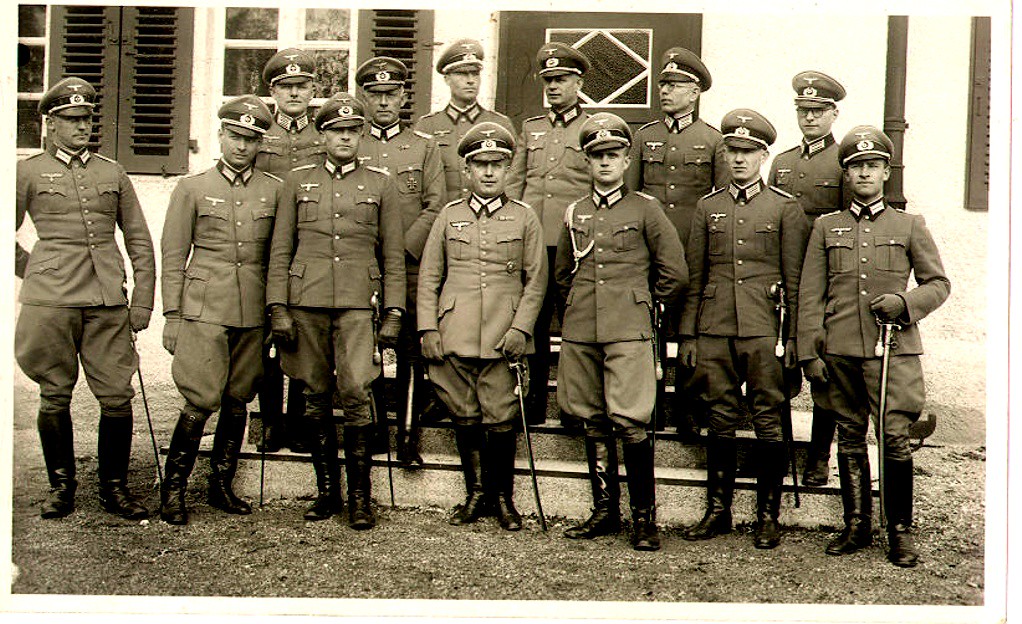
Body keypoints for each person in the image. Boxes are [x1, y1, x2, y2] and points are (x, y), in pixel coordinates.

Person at [798, 126, 950, 568]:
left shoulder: (908, 225)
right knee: (849, 437)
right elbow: (810, 293)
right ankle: (857, 524)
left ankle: (900, 531)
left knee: (895, 440)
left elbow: (938, 284)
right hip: (840, 350)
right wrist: (809, 352)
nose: (864, 173)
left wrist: (905, 303)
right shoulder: (828, 227)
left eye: (872, 165)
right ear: (846, 175)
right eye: (855, 167)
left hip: (893, 349)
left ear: (885, 171)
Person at [15, 76, 156, 520]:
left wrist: (143, 301)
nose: (81, 128)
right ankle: (62, 488)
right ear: (51, 124)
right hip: (51, 300)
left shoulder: (111, 173)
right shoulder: (28, 171)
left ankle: (114, 488)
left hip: (106, 300)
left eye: (86, 119)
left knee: (117, 395)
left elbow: (139, 240)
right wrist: (36, 269)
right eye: (71, 120)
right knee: (55, 393)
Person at [266, 93, 406, 529]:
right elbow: (280, 249)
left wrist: (395, 313)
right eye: (336, 131)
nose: (345, 138)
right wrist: (278, 307)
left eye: (352, 131)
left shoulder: (381, 183)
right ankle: (327, 493)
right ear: (321, 135)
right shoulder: (296, 180)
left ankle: (361, 499)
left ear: (360, 135)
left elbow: (394, 257)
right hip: (305, 301)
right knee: (313, 392)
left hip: (357, 304)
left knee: (358, 392)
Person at [556, 113, 687, 551]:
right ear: (587, 162)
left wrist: (643, 304)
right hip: (581, 329)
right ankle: (604, 511)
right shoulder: (574, 211)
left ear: (627, 159)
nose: (605, 163)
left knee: (630, 421)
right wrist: (576, 309)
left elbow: (674, 273)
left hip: (629, 329)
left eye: (613, 155)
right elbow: (562, 276)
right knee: (591, 419)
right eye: (597, 156)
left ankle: (644, 519)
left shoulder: (646, 209)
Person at [680, 109, 809, 549]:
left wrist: (793, 339)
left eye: (748, 152)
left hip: (763, 326)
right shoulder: (707, 206)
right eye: (732, 151)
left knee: (769, 418)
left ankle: (767, 516)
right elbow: (695, 275)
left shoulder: (784, 207)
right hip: (715, 325)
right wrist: (689, 335)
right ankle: (717, 511)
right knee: (720, 416)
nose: (739, 159)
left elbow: (794, 280)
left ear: (764, 155)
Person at [417, 122, 546, 531]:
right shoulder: (448, 216)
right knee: (465, 415)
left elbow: (536, 281)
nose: (489, 172)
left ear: (508, 169)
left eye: (498, 164)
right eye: (480, 164)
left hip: (502, 334)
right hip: (454, 330)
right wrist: (428, 330)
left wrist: (521, 330)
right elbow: (429, 278)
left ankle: (503, 498)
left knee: (501, 417)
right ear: (466, 171)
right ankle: (475, 495)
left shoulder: (525, 218)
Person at [159, 95, 281, 525]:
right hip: (204, 307)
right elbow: (173, 255)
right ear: (220, 136)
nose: (242, 146)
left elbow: (278, 257)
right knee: (199, 397)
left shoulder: (275, 190)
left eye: (251, 139)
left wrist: (273, 312)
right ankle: (173, 490)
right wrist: (172, 315)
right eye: (235, 136)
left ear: (260, 143)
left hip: (252, 310)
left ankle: (221, 486)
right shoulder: (192, 188)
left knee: (237, 399)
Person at [626, 46, 727, 437]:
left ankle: (687, 407)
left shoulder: (713, 140)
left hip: (691, 250)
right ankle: (648, 405)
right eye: (663, 83)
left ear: (695, 92)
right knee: (647, 328)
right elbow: (632, 197)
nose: (665, 91)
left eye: (675, 84)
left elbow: (719, 201)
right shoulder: (644, 137)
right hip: (650, 251)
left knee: (689, 331)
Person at [355, 56, 445, 465]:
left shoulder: (424, 147)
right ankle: (373, 431)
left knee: (409, 349)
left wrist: (400, 250)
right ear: (364, 97)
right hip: (362, 262)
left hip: (409, 264)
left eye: (391, 94)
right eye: (375, 95)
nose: (384, 102)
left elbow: (435, 205)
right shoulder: (354, 143)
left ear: (404, 97)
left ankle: (408, 437)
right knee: (366, 347)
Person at [769, 70, 849, 486]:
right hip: (785, 276)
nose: (810, 118)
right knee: (778, 366)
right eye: (804, 111)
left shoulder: (842, 162)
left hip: (826, 279)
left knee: (823, 367)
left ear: (834, 113)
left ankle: (819, 457)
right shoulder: (781, 163)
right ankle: (779, 451)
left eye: (818, 111)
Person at [507, 41, 593, 427]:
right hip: (536, 239)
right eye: (549, 80)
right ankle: (535, 401)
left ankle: (574, 405)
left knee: (574, 322)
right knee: (535, 324)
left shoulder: (591, 128)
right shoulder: (531, 128)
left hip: (575, 242)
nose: (553, 87)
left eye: (561, 79)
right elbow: (517, 181)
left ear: (577, 81)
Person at [253, 47, 328, 454]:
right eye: (286, 87)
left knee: (303, 332)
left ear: (313, 89)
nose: (295, 94)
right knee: (269, 332)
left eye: (302, 86)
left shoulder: (324, 134)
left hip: (309, 246)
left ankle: (299, 419)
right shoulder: (262, 135)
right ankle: (269, 422)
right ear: (273, 92)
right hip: (266, 243)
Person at [415, 38, 515, 204]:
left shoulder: (500, 124)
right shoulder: (427, 126)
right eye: (462, 74)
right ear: (447, 79)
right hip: (441, 218)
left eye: (475, 74)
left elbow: (512, 177)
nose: (470, 80)